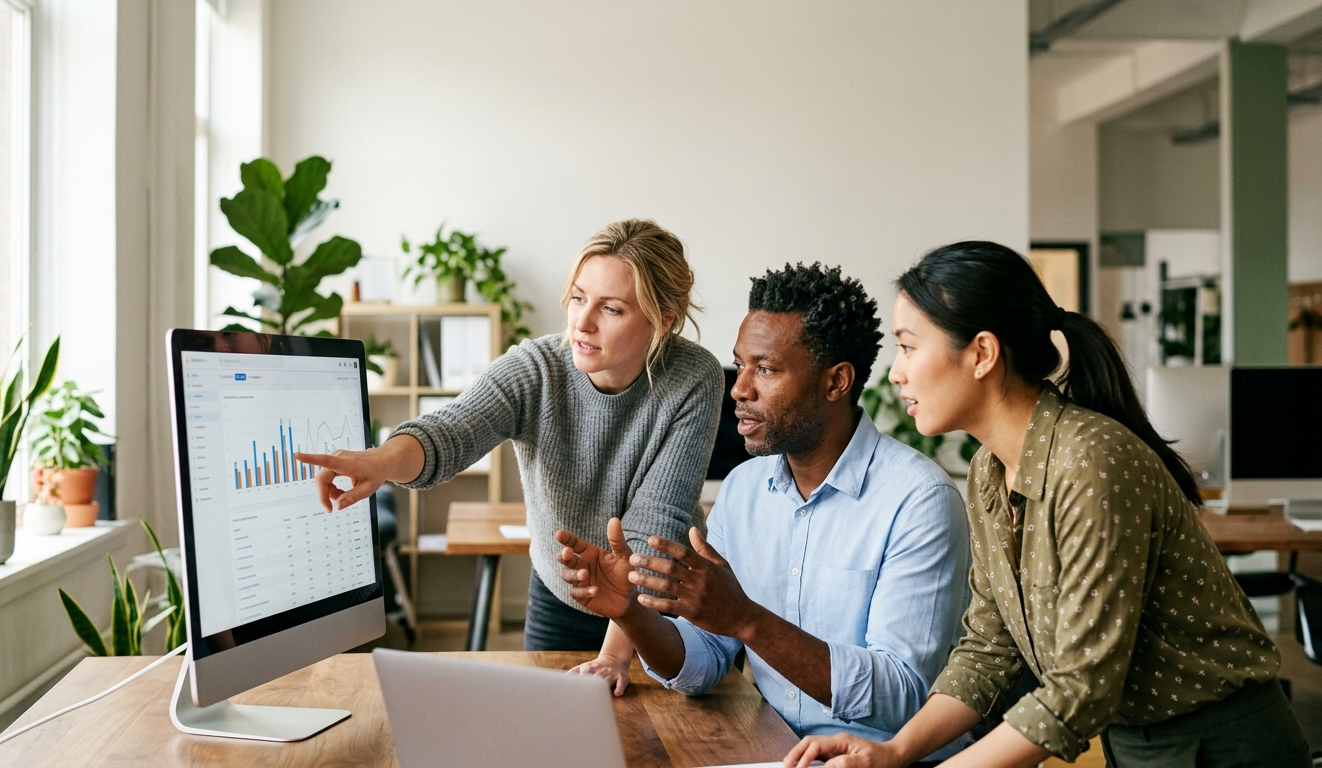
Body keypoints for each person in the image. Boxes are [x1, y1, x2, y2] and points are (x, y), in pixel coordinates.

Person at [785, 241, 1311, 768]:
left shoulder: (1091, 465)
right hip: (1133, 744)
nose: (896, 374)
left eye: (908, 347)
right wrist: (894, 752)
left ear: (982, 354)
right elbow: (988, 652)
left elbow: (1078, 691)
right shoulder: (988, 471)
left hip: (1224, 747)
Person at [557, 262, 973, 761]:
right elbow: (707, 661)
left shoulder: (919, 500)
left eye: (767, 369)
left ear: (836, 382)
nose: (740, 388)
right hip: (773, 750)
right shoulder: (744, 490)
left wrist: (748, 620)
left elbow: (901, 696)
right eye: (740, 364)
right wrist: (631, 613)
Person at [297, 219, 723, 661]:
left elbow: (656, 522)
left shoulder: (694, 378)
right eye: (578, 298)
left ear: (661, 321)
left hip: (658, 606)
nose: (583, 322)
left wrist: (614, 655)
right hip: (563, 596)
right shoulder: (537, 368)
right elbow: (452, 429)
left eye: (611, 309)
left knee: (659, 731)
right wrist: (382, 461)